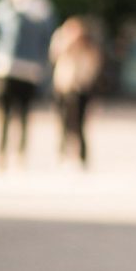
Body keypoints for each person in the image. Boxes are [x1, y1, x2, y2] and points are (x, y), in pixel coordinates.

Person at [0, 0, 55, 169]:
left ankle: (12, 154)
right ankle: (10, 154)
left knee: (14, 115)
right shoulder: (38, 8)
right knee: (13, 115)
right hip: (20, 69)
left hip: (15, 68)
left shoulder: (20, 7)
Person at [48, 16, 101, 168]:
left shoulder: (89, 47)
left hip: (81, 88)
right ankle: (63, 152)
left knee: (80, 124)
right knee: (63, 121)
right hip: (63, 87)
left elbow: (93, 67)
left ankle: (82, 156)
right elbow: (54, 55)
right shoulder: (62, 42)